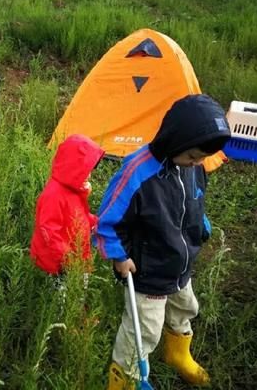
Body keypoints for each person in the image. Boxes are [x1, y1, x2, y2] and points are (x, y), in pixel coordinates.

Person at [94, 94, 231, 390]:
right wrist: (118, 255)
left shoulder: (193, 167)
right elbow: (107, 220)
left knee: (185, 308)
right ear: (175, 140)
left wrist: (201, 225)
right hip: (148, 270)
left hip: (180, 264)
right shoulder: (137, 172)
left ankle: (177, 353)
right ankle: (126, 378)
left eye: (201, 159)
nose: (197, 163)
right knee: (144, 330)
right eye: (193, 156)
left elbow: (195, 201)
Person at [30, 134, 105, 277]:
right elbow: (49, 231)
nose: (89, 177)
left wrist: (96, 223)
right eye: (85, 172)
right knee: (64, 295)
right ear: (73, 168)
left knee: (78, 292)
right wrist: (68, 259)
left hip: (77, 258)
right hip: (59, 265)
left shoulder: (74, 190)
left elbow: (80, 216)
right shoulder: (53, 195)